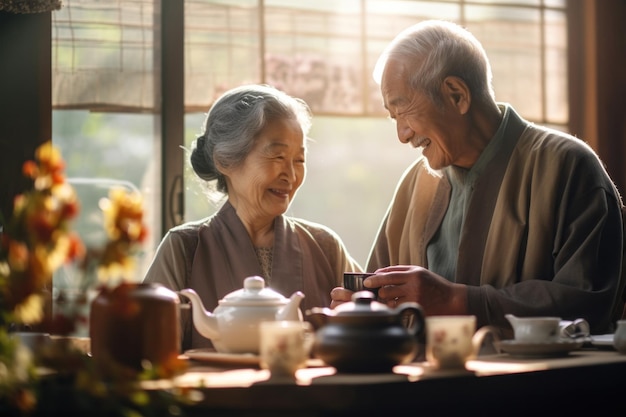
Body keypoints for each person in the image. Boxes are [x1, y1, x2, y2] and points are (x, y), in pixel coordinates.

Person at [331, 20, 625, 336]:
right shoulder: (415, 184)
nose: (402, 135)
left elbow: (589, 302)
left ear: (457, 95)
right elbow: (383, 288)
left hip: (540, 384)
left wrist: (459, 301)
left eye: (404, 112)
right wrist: (365, 308)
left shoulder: (566, 166)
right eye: (394, 118)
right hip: (425, 382)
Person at [144, 84, 362, 350]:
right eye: (278, 156)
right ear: (225, 161)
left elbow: (373, 333)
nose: (291, 176)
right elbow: (147, 358)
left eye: (299, 160)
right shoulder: (183, 249)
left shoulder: (325, 247)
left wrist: (355, 320)